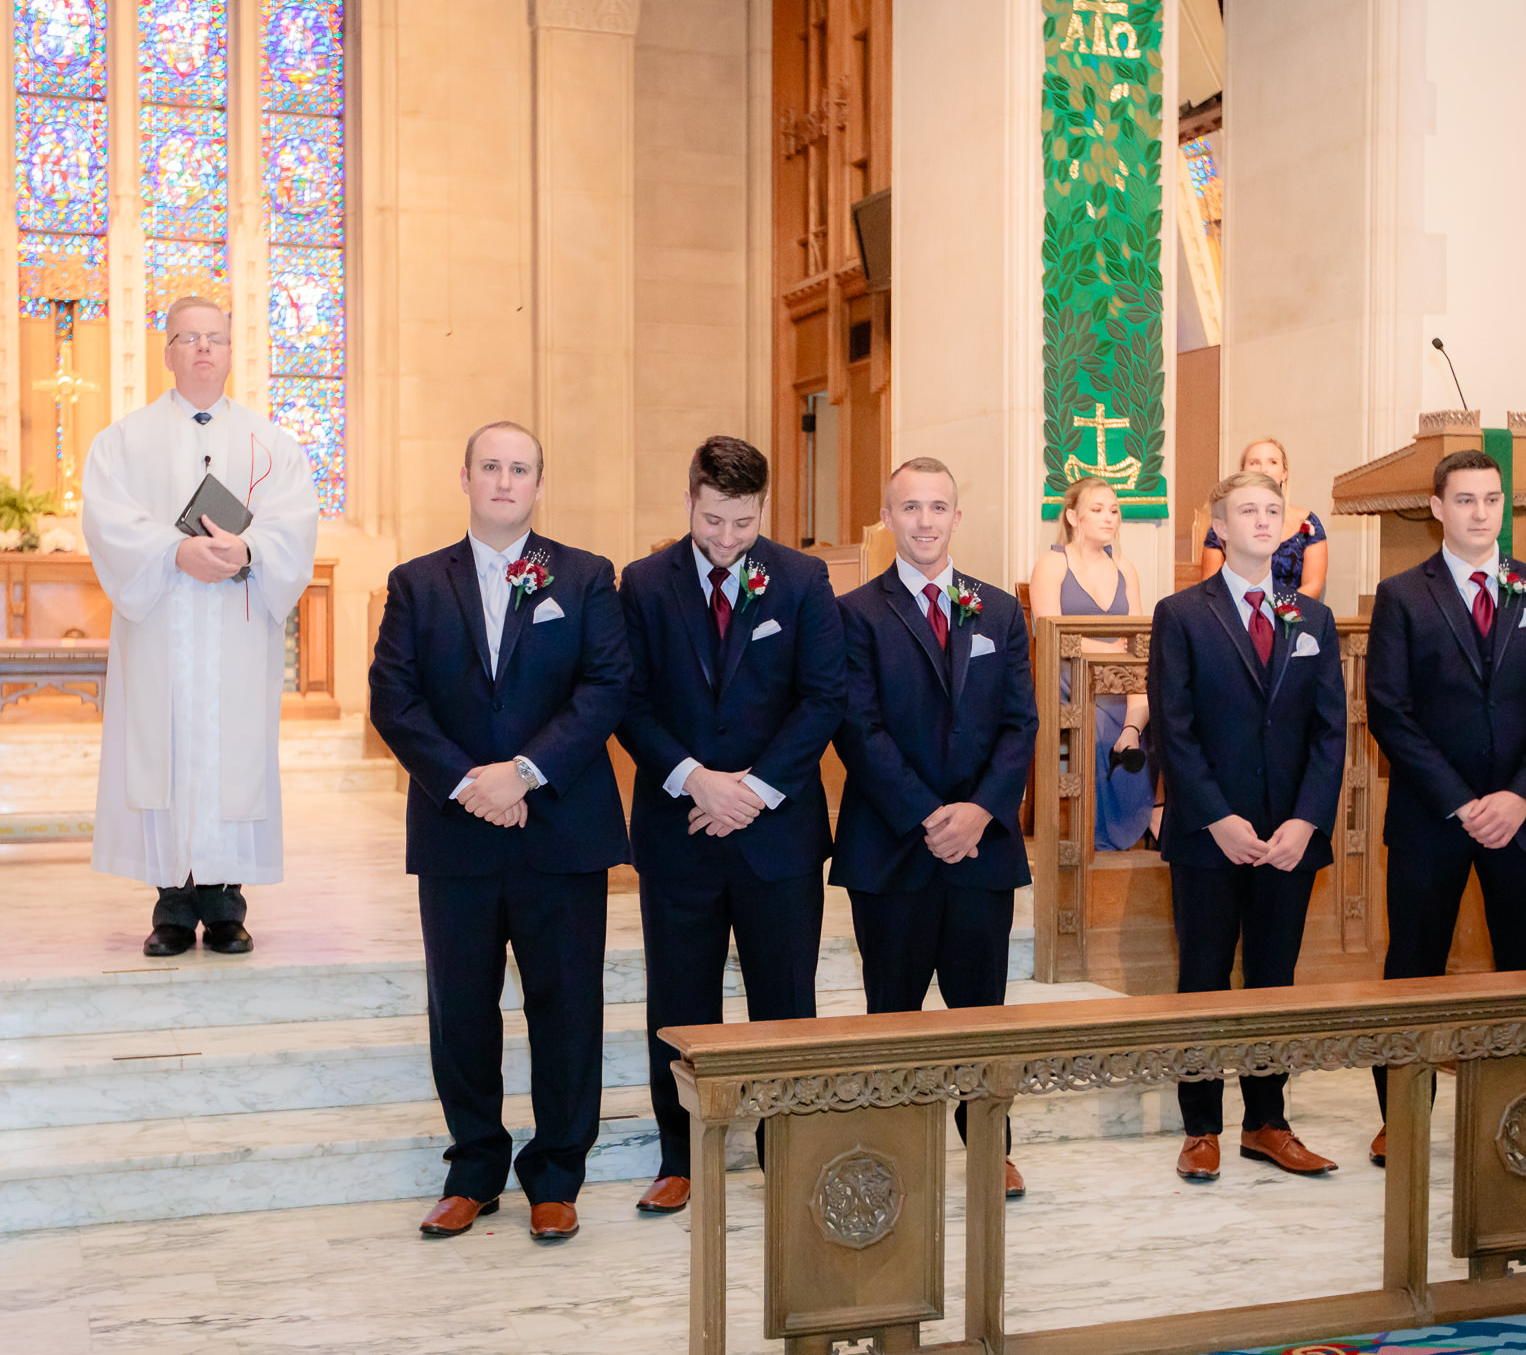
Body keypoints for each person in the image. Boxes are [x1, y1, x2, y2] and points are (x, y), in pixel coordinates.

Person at [368, 420, 631, 1244]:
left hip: (559, 828)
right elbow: (394, 699)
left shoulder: (586, 577)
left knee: (565, 1006)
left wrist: (521, 773)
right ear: (466, 476)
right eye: (492, 466)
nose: (506, 480)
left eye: (521, 468)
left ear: (540, 484)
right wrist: (468, 782)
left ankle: (558, 1173)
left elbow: (606, 687)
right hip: (458, 834)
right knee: (462, 1009)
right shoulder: (416, 583)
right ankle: (475, 1167)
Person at [616, 436, 846, 1215]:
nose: (725, 538)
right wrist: (695, 781)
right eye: (713, 519)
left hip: (775, 832)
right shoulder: (644, 583)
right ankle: (680, 1156)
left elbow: (822, 697)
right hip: (679, 825)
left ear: (762, 509)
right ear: (690, 499)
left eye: (742, 523)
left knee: (786, 997)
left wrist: (756, 788)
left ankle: (786, 1150)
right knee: (680, 1002)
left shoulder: (804, 579)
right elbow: (631, 701)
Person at [1363, 448, 1526, 1164]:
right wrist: (1464, 802)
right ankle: (1402, 1116)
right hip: (1435, 818)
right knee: (1413, 971)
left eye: (1491, 499)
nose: (1480, 512)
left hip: (1525, 820)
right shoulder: (1403, 595)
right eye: (1464, 500)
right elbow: (1389, 712)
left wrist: (1520, 796)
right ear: (1437, 507)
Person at [82, 296, 319, 959]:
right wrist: (173, 551)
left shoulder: (270, 442)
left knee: (231, 756)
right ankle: (170, 907)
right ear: (169, 352)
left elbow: (293, 520)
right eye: (189, 337)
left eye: (215, 337)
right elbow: (108, 520)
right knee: (163, 752)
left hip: (235, 634)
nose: (203, 349)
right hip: (161, 627)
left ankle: (225, 905)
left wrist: (249, 551)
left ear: (230, 349)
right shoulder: (124, 440)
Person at [831, 457, 1039, 1199]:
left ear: (958, 516)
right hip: (893, 847)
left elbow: (1022, 723)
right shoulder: (853, 612)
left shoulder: (1000, 611)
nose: (924, 520)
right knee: (892, 1010)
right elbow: (857, 727)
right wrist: (929, 815)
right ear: (887, 517)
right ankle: (893, 1148)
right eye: (910, 507)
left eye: (938, 506)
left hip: (982, 847)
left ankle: (990, 1146)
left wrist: (981, 810)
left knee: (982, 1011)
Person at [1149, 470, 1346, 1182]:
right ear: (1220, 527)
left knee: (1274, 977)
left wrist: (1305, 820)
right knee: (1203, 974)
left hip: (1288, 837)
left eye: (1273, 510)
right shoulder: (1182, 613)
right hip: (1210, 833)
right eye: (1246, 511)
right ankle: (1201, 1125)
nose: (1263, 521)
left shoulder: (1312, 619)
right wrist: (1218, 817)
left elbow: (1330, 734)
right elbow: (1174, 728)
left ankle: (1267, 1120)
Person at [1029, 478, 1158, 851]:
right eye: (1098, 510)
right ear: (1073, 516)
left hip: (1118, 671)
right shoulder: (1052, 564)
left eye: (1114, 510)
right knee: (1096, 722)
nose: (1109, 518)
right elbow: (1046, 631)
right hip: (1069, 672)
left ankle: (1131, 734)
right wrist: (1105, 649)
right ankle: (1106, 834)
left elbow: (1136, 631)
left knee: (1164, 702)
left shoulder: (1125, 567)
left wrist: (1124, 654)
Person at [1200, 438, 1329, 598]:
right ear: (1242, 471)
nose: (1263, 470)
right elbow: (1210, 585)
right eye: (1254, 462)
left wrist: (1273, 612)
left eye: (1272, 462)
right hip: (1234, 615)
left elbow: (1313, 586)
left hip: (1292, 616)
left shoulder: (1307, 524)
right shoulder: (1225, 523)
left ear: (1285, 473)